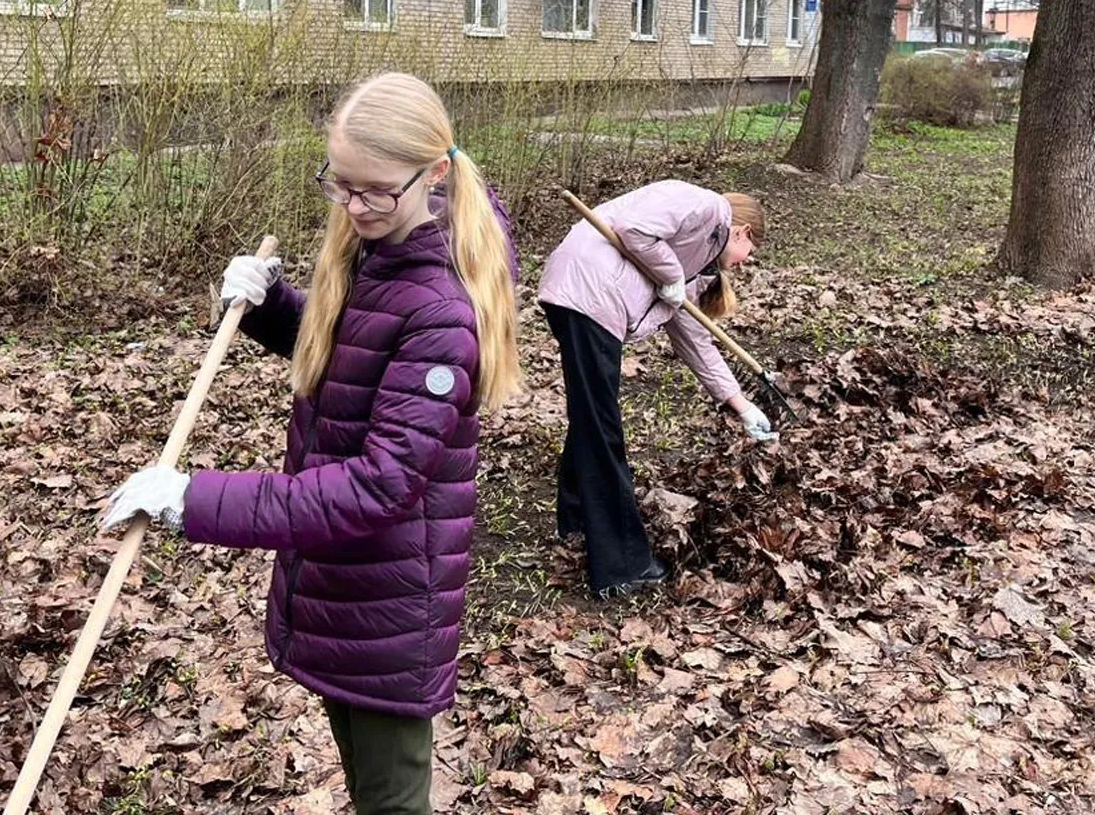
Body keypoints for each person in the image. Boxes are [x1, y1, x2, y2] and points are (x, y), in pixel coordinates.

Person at [102, 72, 519, 815]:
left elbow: (379, 483)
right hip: (343, 581)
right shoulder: (381, 250)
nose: (354, 207)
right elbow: (359, 358)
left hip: (393, 600)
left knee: (392, 802)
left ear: (436, 175)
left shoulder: (441, 307)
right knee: (369, 792)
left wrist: (195, 499)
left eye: (375, 191)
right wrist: (271, 309)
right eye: (340, 185)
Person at [538, 180, 776, 599]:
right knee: (601, 428)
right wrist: (669, 276)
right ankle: (620, 565)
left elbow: (694, 342)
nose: (744, 263)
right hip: (590, 293)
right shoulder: (704, 207)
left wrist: (741, 405)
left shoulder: (696, 261)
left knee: (591, 418)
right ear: (742, 232)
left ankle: (576, 520)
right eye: (749, 253)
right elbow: (633, 228)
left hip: (585, 298)